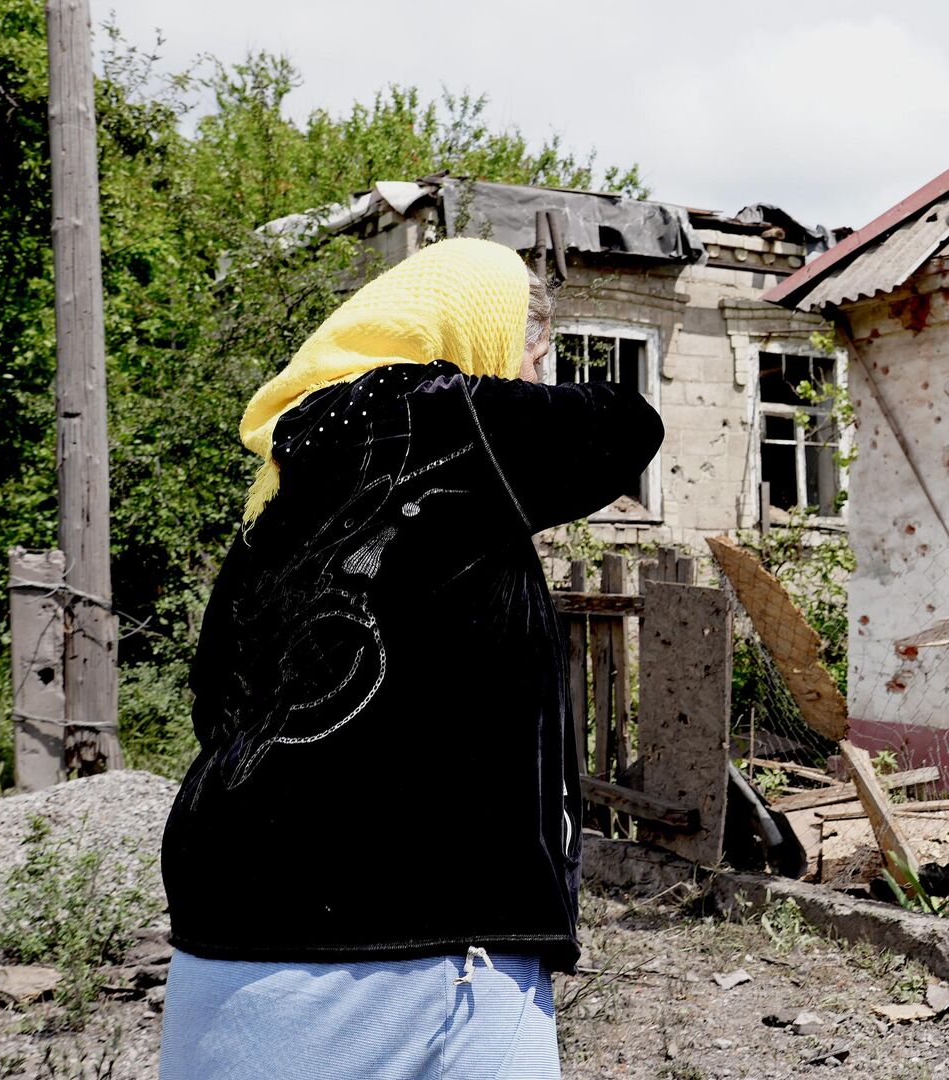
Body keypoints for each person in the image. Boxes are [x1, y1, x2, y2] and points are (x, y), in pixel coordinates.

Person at [158, 238, 662, 1078]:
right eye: (534, 353)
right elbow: (621, 426)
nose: (535, 381)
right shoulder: (422, 419)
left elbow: (215, 704)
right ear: (477, 341)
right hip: (417, 959)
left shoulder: (283, 496)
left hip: (229, 953)